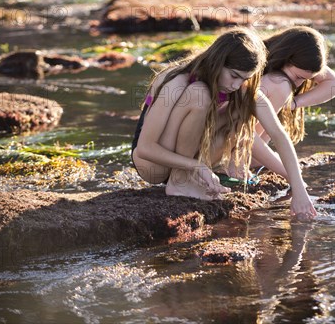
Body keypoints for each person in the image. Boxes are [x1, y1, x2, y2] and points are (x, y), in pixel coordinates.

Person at [131, 27, 316, 218]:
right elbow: (145, 148)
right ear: (217, 62)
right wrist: (197, 166)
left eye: (245, 79)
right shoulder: (177, 81)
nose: (236, 85)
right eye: (234, 75)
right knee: (199, 94)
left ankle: (187, 180)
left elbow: (279, 135)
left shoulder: (241, 89)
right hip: (152, 165)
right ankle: (181, 182)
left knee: (240, 108)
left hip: (190, 163)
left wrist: (298, 186)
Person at [247, 26, 335, 178]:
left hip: (246, 140)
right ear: (285, 58)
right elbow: (241, 131)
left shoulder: (297, 63)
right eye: (298, 77)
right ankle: (247, 156)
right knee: (280, 86)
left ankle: (254, 156)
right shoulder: (255, 61)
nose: (299, 85)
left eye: (305, 79)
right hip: (224, 139)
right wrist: (291, 174)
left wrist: (293, 103)